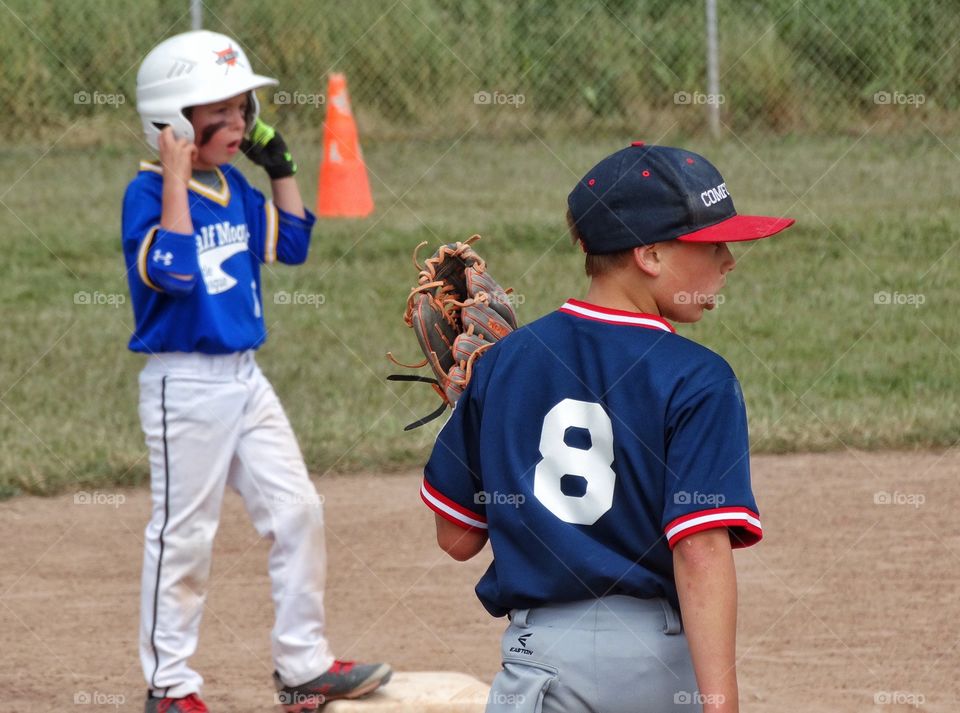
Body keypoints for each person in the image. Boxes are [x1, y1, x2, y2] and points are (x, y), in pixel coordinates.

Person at [420, 142, 794, 713]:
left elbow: (458, 539)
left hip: (537, 665)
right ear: (648, 254)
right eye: (712, 242)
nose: (728, 260)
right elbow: (699, 552)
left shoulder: (503, 365)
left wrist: (480, 405)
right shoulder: (699, 379)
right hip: (651, 669)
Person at [123, 30, 391, 713]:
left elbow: (294, 243)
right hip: (183, 385)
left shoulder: (235, 186)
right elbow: (177, 272)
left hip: (245, 379)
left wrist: (281, 169)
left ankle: (302, 664)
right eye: (222, 110)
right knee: (184, 534)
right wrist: (178, 174)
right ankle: (170, 686)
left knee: (298, 509)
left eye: (245, 107)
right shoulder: (148, 194)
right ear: (173, 122)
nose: (241, 122)